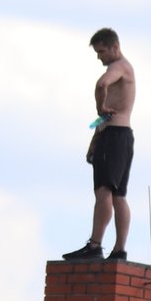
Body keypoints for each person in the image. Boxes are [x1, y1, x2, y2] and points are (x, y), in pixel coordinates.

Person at [63, 28, 135, 262]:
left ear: (114, 46)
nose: (99, 57)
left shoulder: (119, 67)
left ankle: (95, 244)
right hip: (119, 136)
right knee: (118, 195)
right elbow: (106, 114)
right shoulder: (123, 69)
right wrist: (94, 140)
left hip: (114, 136)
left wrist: (99, 107)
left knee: (104, 191)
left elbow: (101, 85)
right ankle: (119, 250)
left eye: (101, 51)